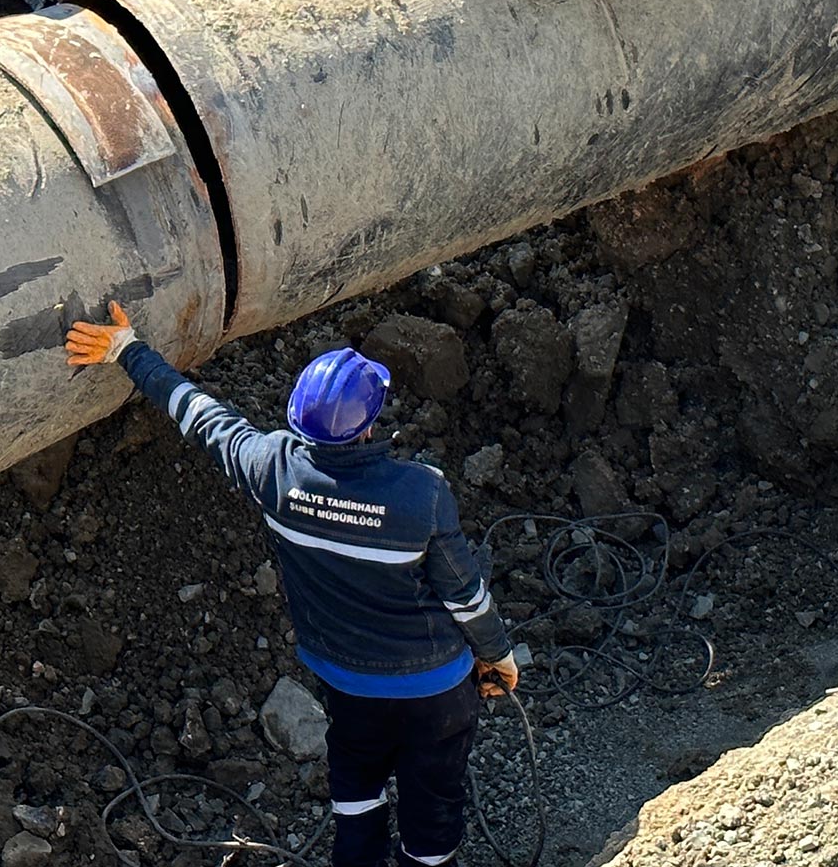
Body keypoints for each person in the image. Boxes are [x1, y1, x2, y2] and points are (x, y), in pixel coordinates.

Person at [65, 302, 518, 867]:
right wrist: (498, 656)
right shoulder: (421, 493)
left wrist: (127, 350)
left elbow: (199, 414)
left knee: (356, 792)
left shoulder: (273, 470)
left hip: (349, 685)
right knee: (433, 809)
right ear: (370, 422)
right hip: (434, 693)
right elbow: (464, 597)